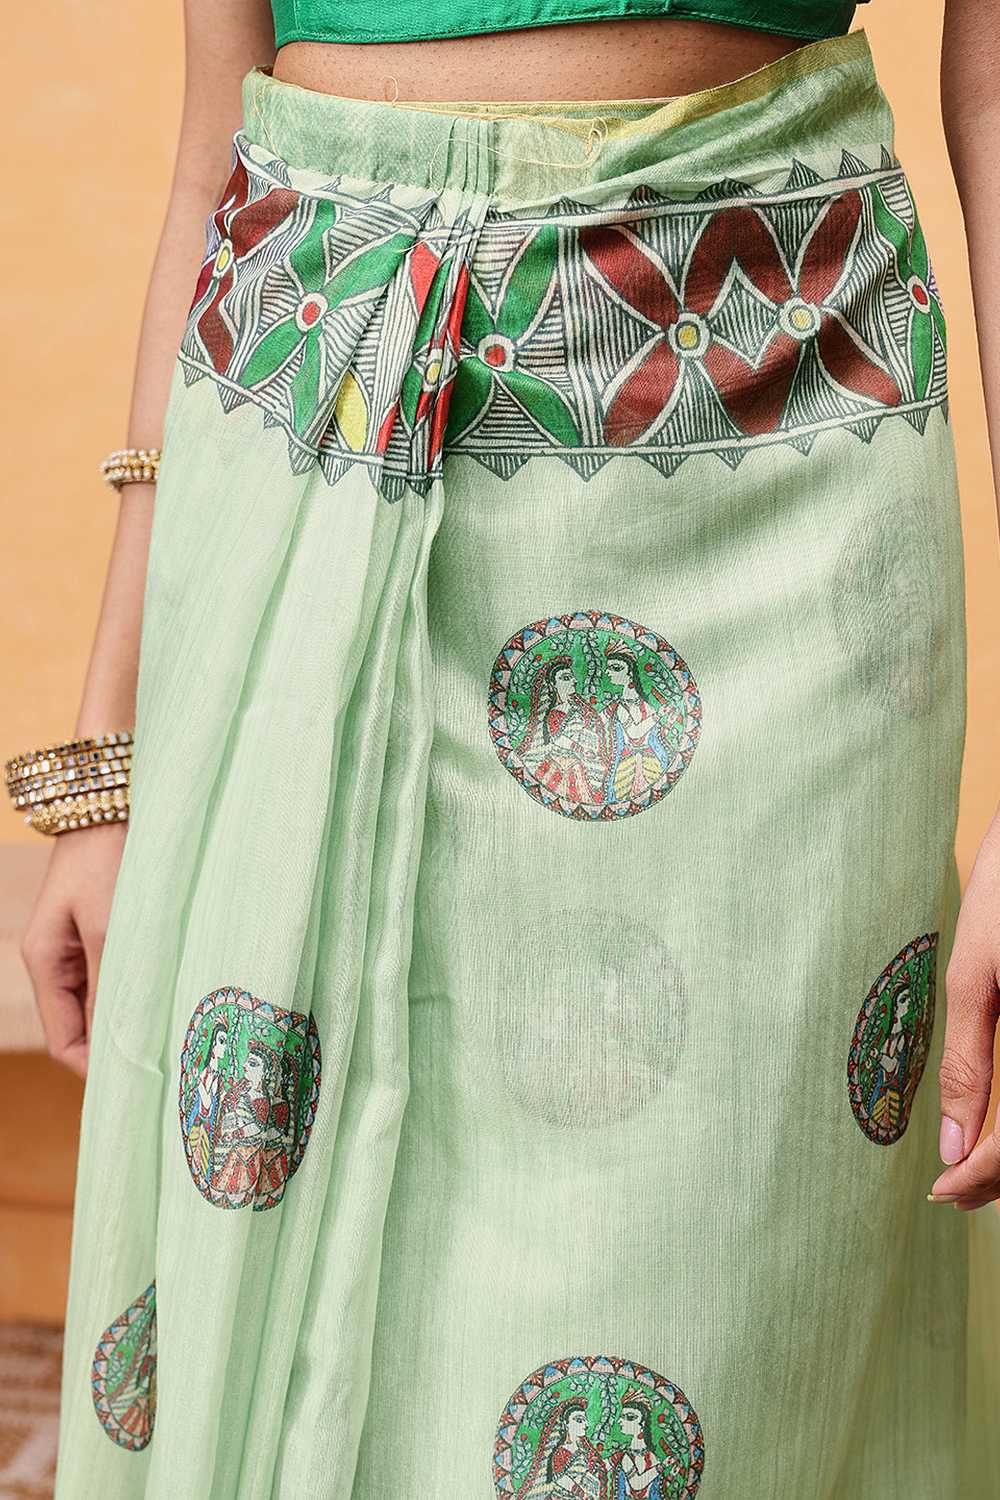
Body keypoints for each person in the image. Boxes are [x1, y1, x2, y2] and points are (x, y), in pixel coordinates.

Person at [8, 0, 1000, 1494]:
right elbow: (216, 131)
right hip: (294, 460)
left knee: (711, 1323)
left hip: (761, 454)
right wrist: (107, 749)